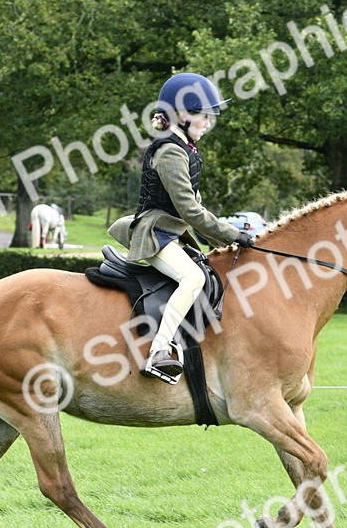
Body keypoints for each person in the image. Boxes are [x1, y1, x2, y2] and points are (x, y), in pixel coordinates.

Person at [107, 72, 254, 381]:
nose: (208, 123)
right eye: (205, 115)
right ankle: (158, 351)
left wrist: (222, 245)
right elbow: (190, 210)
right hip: (153, 233)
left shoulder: (186, 149)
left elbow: (195, 211)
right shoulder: (171, 151)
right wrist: (234, 234)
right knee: (192, 278)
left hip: (170, 233)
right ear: (184, 115)